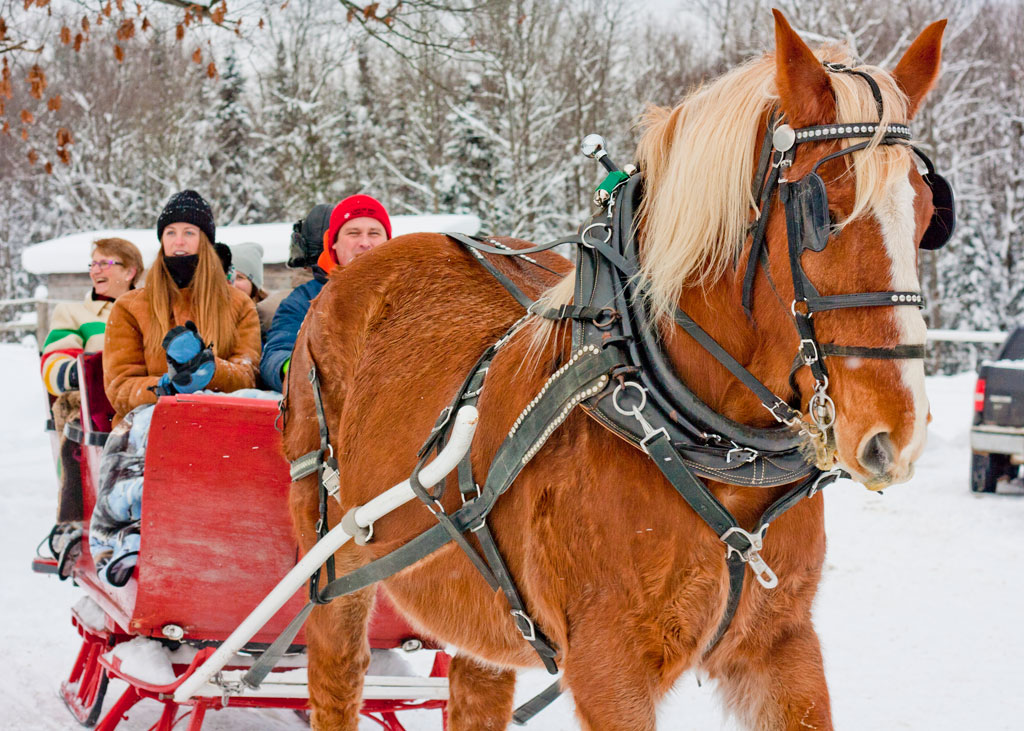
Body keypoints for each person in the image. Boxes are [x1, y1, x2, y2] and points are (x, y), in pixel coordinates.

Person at [103, 190, 262, 425]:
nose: (179, 241)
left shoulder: (239, 304)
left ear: (205, 241)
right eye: (170, 233)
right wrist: (166, 386)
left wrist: (210, 369)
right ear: (162, 241)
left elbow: (249, 376)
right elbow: (120, 388)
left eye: (189, 232)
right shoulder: (130, 307)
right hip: (150, 427)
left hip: (223, 424)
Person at [39, 237, 144, 573]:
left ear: (130, 271)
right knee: (73, 407)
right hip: (97, 406)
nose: (95, 270)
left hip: (138, 400)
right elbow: (52, 364)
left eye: (105, 263)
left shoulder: (148, 308)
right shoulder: (74, 313)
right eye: (93, 264)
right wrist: (85, 372)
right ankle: (78, 518)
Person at [260, 196, 391, 392]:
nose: (365, 242)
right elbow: (276, 355)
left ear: (389, 242)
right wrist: (298, 370)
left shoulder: (409, 295)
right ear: (333, 244)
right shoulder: (302, 301)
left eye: (374, 233)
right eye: (353, 233)